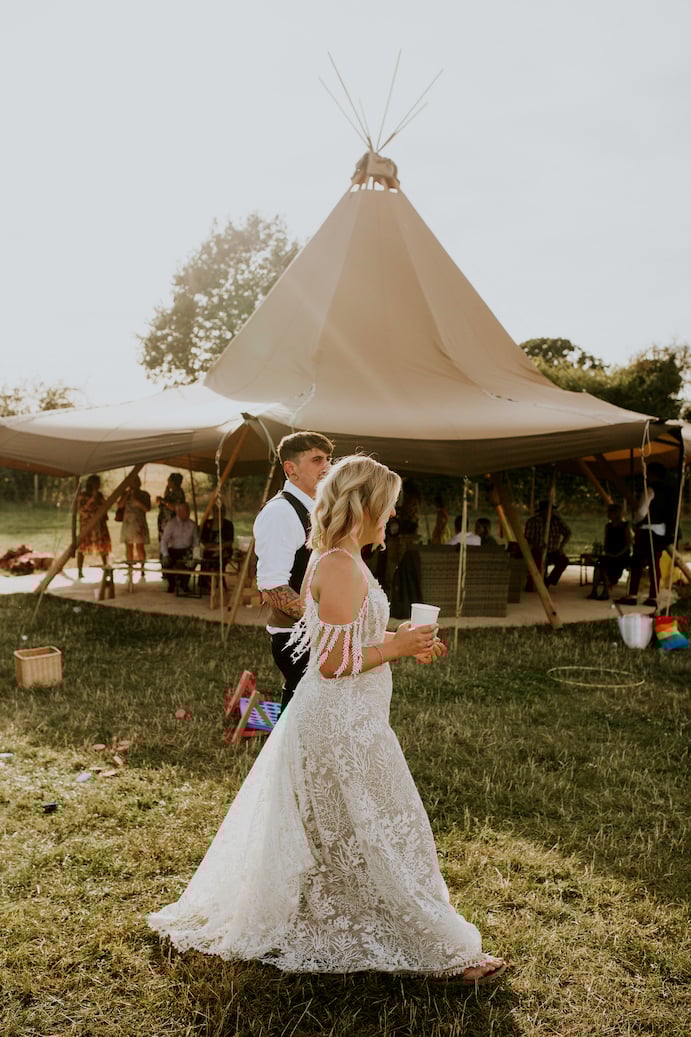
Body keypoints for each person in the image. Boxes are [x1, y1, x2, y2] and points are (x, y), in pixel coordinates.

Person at [148, 454, 507, 984]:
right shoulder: (339, 565)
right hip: (340, 721)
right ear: (364, 506)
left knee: (354, 825)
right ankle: (435, 949)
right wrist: (400, 648)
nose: (392, 517)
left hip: (350, 716)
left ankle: (377, 921)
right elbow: (334, 662)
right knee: (382, 824)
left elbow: (347, 641)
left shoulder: (340, 559)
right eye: (387, 507)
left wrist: (402, 642)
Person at [253, 431, 334, 710]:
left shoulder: (316, 509)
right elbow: (273, 587)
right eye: (316, 459)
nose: (327, 466)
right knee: (303, 722)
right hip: (296, 638)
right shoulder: (281, 513)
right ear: (291, 468)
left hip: (316, 633)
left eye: (328, 458)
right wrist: (327, 625)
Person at [618, 462, 677, 607]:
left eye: (648, 473)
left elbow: (641, 512)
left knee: (637, 563)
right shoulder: (670, 491)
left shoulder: (650, 489)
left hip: (647, 530)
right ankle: (653, 597)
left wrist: (634, 521)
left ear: (653, 474)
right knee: (654, 564)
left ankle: (632, 595)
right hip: (662, 531)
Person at [587, 504, 632, 601]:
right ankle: (594, 590)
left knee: (608, 565)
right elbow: (606, 541)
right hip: (610, 554)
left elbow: (629, 543)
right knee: (599, 564)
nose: (608, 514)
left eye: (610, 512)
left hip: (622, 555)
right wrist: (607, 551)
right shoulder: (608, 526)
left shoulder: (625, 526)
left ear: (616, 513)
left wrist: (617, 554)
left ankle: (605, 590)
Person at [524, 500, 571, 589]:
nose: (552, 512)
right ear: (543, 511)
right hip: (538, 550)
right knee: (538, 565)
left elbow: (568, 532)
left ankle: (549, 581)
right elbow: (528, 537)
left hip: (553, 550)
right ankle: (536, 582)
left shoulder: (557, 521)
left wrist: (561, 546)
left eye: (552, 510)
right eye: (549, 510)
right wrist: (537, 546)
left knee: (563, 561)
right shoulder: (533, 521)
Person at [76, 474, 111, 579]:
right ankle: (80, 570)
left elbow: (105, 507)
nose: (98, 485)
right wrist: (92, 498)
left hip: (99, 524)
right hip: (87, 524)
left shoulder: (100, 495)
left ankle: (106, 568)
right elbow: (81, 509)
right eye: (96, 483)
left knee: (103, 547)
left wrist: (98, 499)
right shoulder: (83, 495)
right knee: (82, 547)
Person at [160, 502, 200, 593]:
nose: (188, 513)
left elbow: (196, 541)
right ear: (179, 512)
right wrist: (165, 554)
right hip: (174, 550)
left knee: (191, 561)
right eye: (186, 511)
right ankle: (172, 584)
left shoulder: (192, 524)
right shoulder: (171, 524)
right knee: (167, 561)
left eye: (188, 510)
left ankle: (184, 583)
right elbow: (164, 540)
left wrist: (196, 555)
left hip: (186, 550)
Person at [117, 475, 151, 577]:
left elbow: (147, 509)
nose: (133, 484)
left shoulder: (144, 494)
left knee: (140, 547)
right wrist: (127, 494)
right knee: (129, 546)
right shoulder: (125, 494)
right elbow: (120, 506)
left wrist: (137, 501)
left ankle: (142, 569)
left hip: (139, 523)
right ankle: (130, 568)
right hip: (128, 523)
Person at [199, 503, 235, 591]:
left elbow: (230, 541)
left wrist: (219, 546)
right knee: (206, 560)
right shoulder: (207, 524)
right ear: (213, 512)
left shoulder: (228, 525)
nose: (219, 513)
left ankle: (217, 582)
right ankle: (206, 583)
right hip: (209, 550)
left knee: (219, 559)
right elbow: (203, 540)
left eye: (222, 511)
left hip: (224, 550)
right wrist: (210, 546)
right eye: (217, 511)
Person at [157, 473, 186, 541]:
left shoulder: (178, 493)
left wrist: (163, 501)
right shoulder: (171, 492)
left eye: (169, 481)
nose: (168, 483)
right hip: (165, 522)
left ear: (173, 482)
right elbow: (166, 498)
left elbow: (175, 507)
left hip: (171, 521)